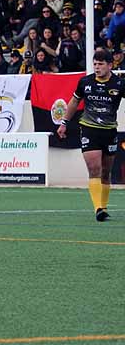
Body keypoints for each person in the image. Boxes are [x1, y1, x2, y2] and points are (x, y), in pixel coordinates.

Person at [57, 49, 125, 221]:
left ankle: (104, 206)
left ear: (110, 65)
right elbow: (74, 102)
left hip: (109, 130)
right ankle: (98, 209)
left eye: (101, 64)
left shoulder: (119, 83)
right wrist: (64, 122)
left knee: (106, 171)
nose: (97, 67)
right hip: (89, 129)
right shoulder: (85, 82)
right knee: (94, 168)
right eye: (95, 64)